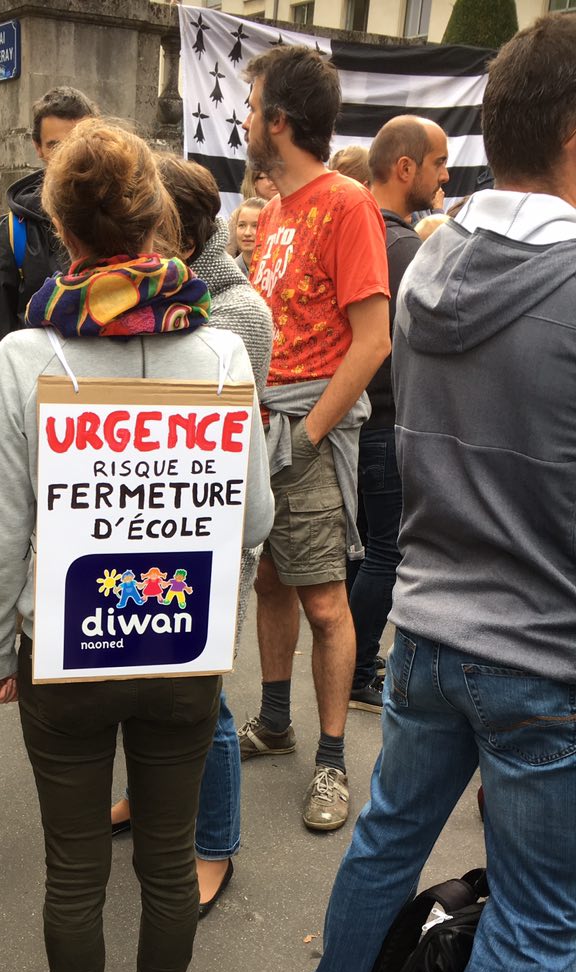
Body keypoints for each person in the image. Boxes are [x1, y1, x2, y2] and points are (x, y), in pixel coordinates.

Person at [300, 13, 576, 972]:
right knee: (544, 912)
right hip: (544, 653)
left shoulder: (434, 263)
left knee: (388, 833)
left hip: (428, 624)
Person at [0, 121, 274, 972]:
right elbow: (256, 517)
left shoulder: (25, 357)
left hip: (64, 648)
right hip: (183, 646)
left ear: (62, 228)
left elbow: (3, 533)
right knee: (168, 858)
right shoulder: (223, 356)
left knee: (73, 868)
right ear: (157, 223)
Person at [107, 155, 274, 914]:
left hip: (211, 532)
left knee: (205, 698)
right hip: (150, 517)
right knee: (144, 678)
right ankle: (149, 799)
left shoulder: (234, 313)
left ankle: (215, 845)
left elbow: (204, 431)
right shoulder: (154, 295)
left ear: (174, 232)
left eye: (139, 222)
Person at [236, 45, 391, 832]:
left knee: (326, 601)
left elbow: (374, 341)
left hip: (306, 434)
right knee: (271, 582)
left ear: (278, 121)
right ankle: (275, 721)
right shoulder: (276, 211)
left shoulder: (347, 204)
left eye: (250, 105)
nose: (243, 119)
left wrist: (310, 434)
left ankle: (332, 763)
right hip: (266, 430)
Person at [347, 116, 448, 714]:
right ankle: (357, 668)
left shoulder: (358, 232)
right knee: (385, 553)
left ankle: (351, 661)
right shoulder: (407, 249)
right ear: (405, 168)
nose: (445, 177)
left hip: (355, 418)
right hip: (385, 422)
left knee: (365, 551)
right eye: (438, 164)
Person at [0, 85, 98, 410]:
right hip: (37, 408)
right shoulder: (10, 236)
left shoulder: (125, 222)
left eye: (77, 142)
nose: (68, 156)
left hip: (107, 409)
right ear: (38, 148)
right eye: (56, 145)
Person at [232, 196, 264, 273]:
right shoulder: (226, 271)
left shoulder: (279, 269)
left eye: (255, 226)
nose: (247, 233)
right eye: (242, 225)